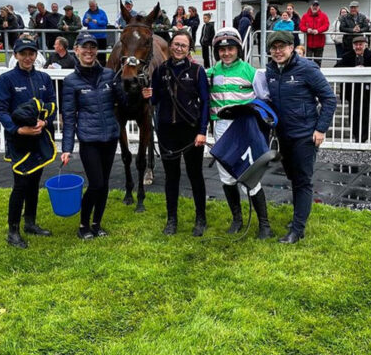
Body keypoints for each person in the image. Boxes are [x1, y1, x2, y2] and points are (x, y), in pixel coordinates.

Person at [254, 31, 336, 243]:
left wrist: (321, 129)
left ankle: (297, 230)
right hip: (284, 135)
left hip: (305, 136)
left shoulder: (307, 68)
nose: (278, 51)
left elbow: (329, 99)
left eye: (282, 47)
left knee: (302, 181)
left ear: (292, 47)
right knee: (293, 178)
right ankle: (298, 218)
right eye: (274, 48)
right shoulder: (270, 70)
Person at [142, 29, 209, 236]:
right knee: (172, 177)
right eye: (176, 44)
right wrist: (147, 96)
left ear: (189, 49)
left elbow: (206, 103)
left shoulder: (197, 71)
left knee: (195, 175)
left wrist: (202, 131)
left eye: (183, 45)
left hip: (190, 130)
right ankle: (172, 219)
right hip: (166, 131)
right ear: (170, 46)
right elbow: (155, 100)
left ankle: (201, 218)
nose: (179, 48)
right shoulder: (161, 70)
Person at [207, 28, 272, 239]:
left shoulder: (251, 72)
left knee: (250, 173)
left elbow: (265, 100)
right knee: (226, 176)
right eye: (222, 50)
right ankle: (237, 219)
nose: (226, 53)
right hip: (221, 128)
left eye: (230, 49)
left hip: (243, 128)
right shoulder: (212, 72)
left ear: (238, 49)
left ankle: (265, 225)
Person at [61, 32, 126, 240]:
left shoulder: (109, 74)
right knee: (96, 183)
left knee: (105, 184)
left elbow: (124, 102)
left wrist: (131, 89)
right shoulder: (70, 82)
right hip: (89, 140)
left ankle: (97, 224)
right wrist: (67, 148)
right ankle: (83, 225)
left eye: (92, 47)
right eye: (84, 47)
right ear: (76, 50)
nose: (89, 51)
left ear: (96, 51)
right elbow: (69, 117)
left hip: (110, 137)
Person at [0, 37, 57, 248]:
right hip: (19, 140)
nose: (28, 58)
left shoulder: (44, 78)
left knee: (34, 182)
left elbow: (52, 104)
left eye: (31, 53)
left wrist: (45, 121)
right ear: (16, 55)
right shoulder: (6, 79)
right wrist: (18, 129)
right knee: (20, 184)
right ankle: (13, 231)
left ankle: (30, 222)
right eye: (23, 53)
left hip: (40, 137)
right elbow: (1, 111)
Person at [335, 35, 371, 143]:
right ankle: (357, 137)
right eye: (356, 45)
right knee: (354, 116)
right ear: (353, 46)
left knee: (368, 116)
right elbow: (337, 68)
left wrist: (366, 70)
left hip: (369, 93)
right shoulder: (348, 56)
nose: (358, 47)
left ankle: (363, 138)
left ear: (365, 45)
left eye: (360, 45)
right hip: (353, 92)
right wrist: (352, 70)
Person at [299, 0, 330, 67]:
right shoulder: (305, 16)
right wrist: (307, 29)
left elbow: (326, 25)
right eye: (313, 5)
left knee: (318, 61)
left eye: (316, 6)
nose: (315, 7)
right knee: (308, 61)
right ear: (311, 6)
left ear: (319, 7)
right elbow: (301, 26)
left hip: (319, 43)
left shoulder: (323, 16)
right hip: (308, 44)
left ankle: (317, 74)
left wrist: (318, 30)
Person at [82, 0, 109, 66]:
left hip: (102, 37)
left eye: (93, 6)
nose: (92, 8)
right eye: (91, 6)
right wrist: (86, 21)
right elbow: (84, 23)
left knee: (102, 54)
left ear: (96, 5)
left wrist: (98, 22)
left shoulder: (102, 12)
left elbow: (105, 22)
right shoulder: (87, 13)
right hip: (92, 37)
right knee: (91, 53)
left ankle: (102, 67)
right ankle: (92, 66)